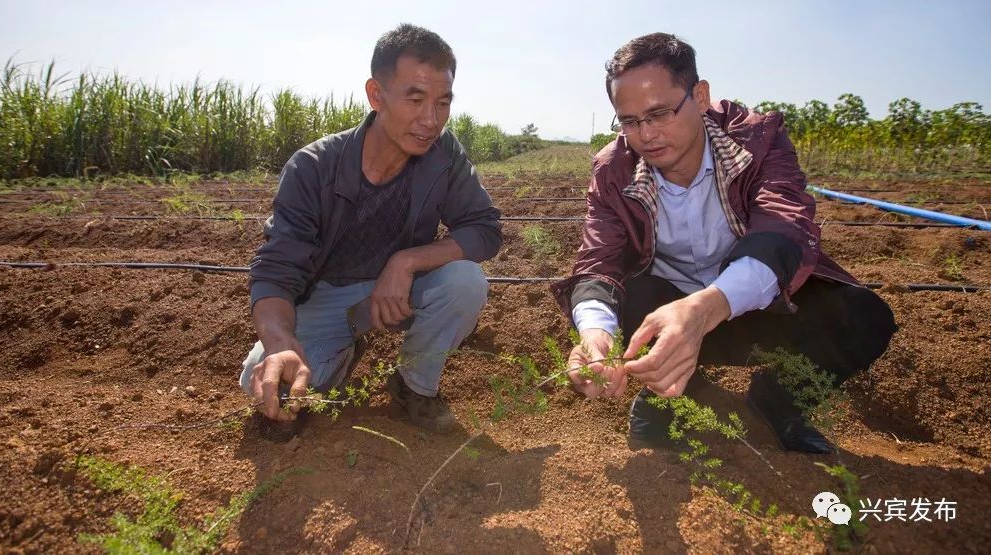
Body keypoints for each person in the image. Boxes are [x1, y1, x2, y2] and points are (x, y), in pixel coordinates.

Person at [551, 32, 897, 453]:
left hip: (759, 306)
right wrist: (595, 334)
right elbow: (597, 262)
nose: (645, 135)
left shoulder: (758, 140)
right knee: (618, 302)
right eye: (629, 121)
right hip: (665, 314)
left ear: (699, 96)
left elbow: (783, 230)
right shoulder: (613, 169)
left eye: (660, 113)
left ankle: (777, 400)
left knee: (863, 317)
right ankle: (669, 395)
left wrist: (705, 307)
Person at [240, 24, 502, 432]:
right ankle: (339, 352)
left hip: (400, 294)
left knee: (465, 281)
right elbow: (276, 270)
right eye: (415, 99)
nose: (430, 120)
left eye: (443, 102)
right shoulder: (314, 167)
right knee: (262, 379)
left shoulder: (444, 155)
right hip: (327, 297)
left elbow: (484, 228)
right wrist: (277, 343)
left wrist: (407, 261)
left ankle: (414, 385)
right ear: (376, 95)